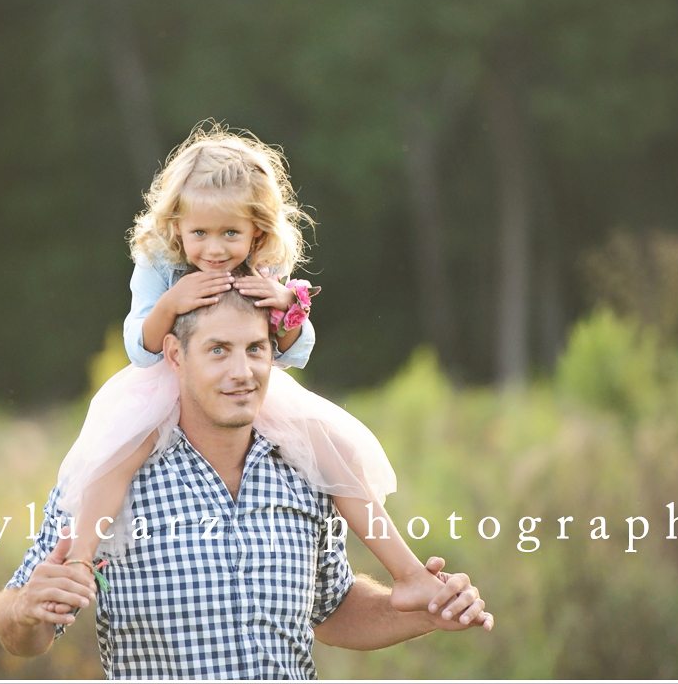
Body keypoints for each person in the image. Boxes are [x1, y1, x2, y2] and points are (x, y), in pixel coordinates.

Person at [0, 286, 493, 678]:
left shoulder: (306, 470)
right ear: (174, 355)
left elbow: (333, 611)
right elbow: (19, 631)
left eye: (256, 348)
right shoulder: (110, 476)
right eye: (218, 350)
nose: (242, 371)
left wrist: (428, 611)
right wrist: (27, 610)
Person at [52, 122, 445, 612]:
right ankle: (79, 564)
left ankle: (408, 574)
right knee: (117, 457)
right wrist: (171, 304)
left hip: (245, 384)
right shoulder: (158, 263)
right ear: (176, 226)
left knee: (334, 449)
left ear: (257, 230)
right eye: (200, 233)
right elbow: (141, 347)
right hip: (164, 381)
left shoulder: (263, 266)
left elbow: (292, 352)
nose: (214, 250)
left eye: (230, 234)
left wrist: (284, 303)